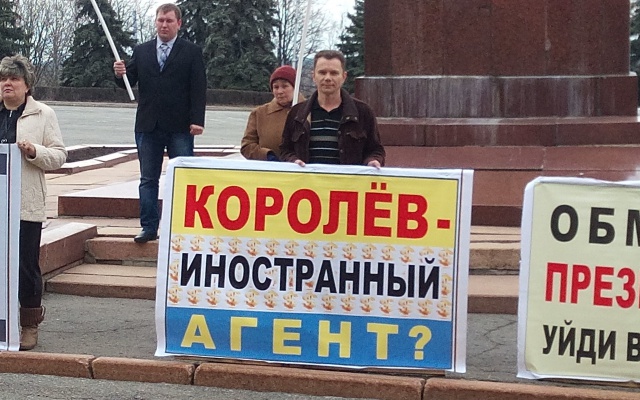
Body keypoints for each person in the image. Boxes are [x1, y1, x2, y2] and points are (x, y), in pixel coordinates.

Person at [113, 3, 206, 243]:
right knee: (148, 179)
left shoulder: (191, 52)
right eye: (161, 20)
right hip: (148, 126)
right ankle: (148, 227)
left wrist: (197, 120)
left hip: (180, 127)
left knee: (183, 178)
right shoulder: (142, 51)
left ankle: (180, 227)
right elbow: (128, 80)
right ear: (155, 22)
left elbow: (198, 88)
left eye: (169, 21)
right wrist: (119, 73)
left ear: (178, 24)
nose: (164, 25)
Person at [0, 55, 67, 350]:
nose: (7, 84)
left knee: (26, 266)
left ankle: (29, 324)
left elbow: (59, 156)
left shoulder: (43, 114)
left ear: (27, 85)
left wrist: (34, 151)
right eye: (3, 78)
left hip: (25, 204)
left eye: (14, 79)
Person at [279, 50, 385, 168]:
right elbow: (285, 150)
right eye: (322, 72)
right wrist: (293, 161)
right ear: (313, 76)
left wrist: (373, 161)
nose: (328, 78)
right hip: (307, 180)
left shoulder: (363, 112)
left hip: (347, 180)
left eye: (334, 73)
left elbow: (376, 150)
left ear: (344, 77)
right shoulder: (297, 113)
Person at [240, 65, 303, 161]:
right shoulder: (259, 114)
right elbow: (247, 146)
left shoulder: (310, 111)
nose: (280, 91)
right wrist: (267, 156)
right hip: (269, 168)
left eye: (285, 86)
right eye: (276, 87)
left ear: (295, 87)